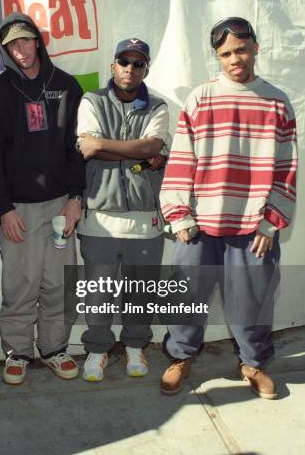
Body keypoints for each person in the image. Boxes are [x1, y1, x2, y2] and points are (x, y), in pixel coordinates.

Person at [159, 17, 298, 399]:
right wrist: (179, 214)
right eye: (225, 53)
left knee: (253, 299)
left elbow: (287, 167)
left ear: (255, 46)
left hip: (253, 226)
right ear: (217, 56)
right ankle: (181, 358)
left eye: (240, 49)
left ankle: (253, 363)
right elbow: (181, 160)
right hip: (199, 224)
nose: (234, 59)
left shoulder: (277, 101)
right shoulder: (200, 98)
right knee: (185, 293)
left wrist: (271, 222)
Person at [0, 13, 85, 384]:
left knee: (58, 281)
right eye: (12, 44)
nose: (20, 49)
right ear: (5, 50)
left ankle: (55, 348)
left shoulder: (66, 86)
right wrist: (4, 208)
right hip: (18, 208)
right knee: (20, 282)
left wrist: (76, 198)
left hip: (60, 203)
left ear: (38, 42)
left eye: (25, 41)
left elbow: (78, 149)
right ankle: (18, 350)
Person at [76, 38, 171, 382]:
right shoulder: (92, 101)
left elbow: (152, 146)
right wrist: (140, 153)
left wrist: (104, 144)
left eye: (138, 63)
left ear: (146, 68)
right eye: (123, 61)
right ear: (112, 66)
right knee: (98, 294)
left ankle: (135, 346)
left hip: (145, 222)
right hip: (99, 218)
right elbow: (87, 148)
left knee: (140, 294)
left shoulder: (158, 107)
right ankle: (97, 350)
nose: (130, 69)